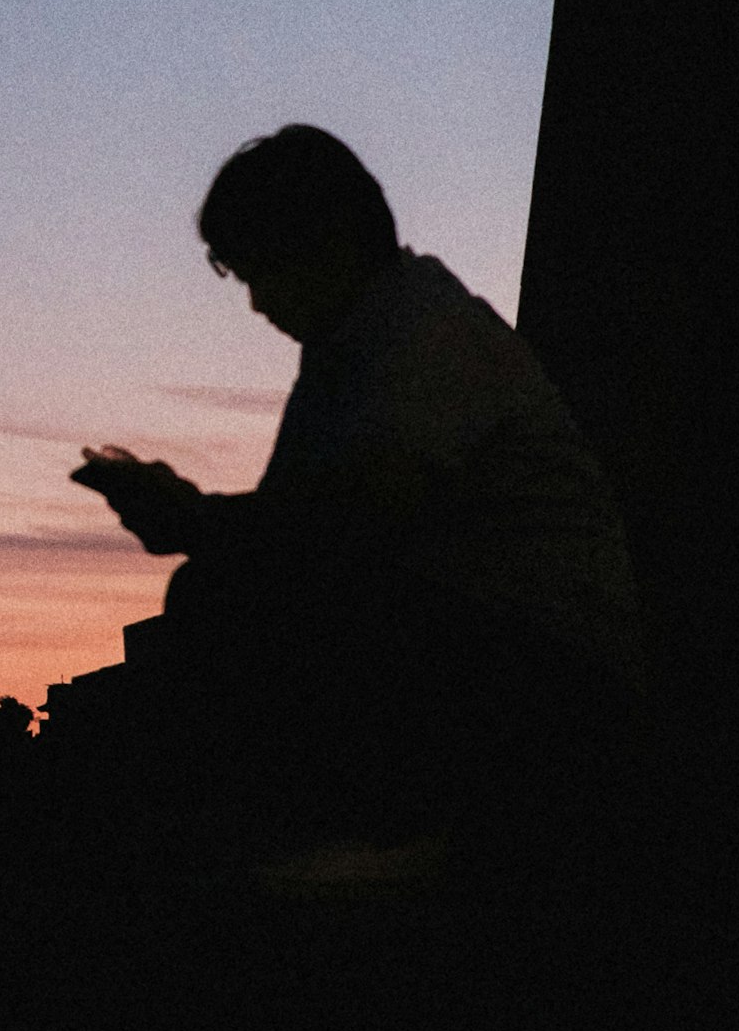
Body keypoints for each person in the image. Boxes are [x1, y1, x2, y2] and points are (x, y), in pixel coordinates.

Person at [69, 126, 640, 856]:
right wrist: (195, 519)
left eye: (257, 272)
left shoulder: (422, 338)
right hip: (489, 650)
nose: (253, 303)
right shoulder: (353, 349)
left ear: (324, 245)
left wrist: (194, 520)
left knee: (216, 603)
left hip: (552, 680)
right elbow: (304, 529)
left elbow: (340, 531)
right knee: (215, 598)